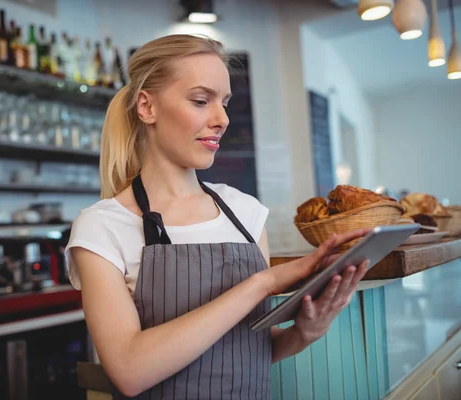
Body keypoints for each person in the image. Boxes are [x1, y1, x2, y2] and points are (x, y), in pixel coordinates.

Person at [66, 34, 370, 400]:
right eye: (200, 100)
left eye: (225, 103)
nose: (222, 119)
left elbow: (248, 348)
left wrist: (302, 333)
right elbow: (129, 370)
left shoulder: (246, 212)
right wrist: (260, 284)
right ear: (147, 107)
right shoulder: (102, 227)